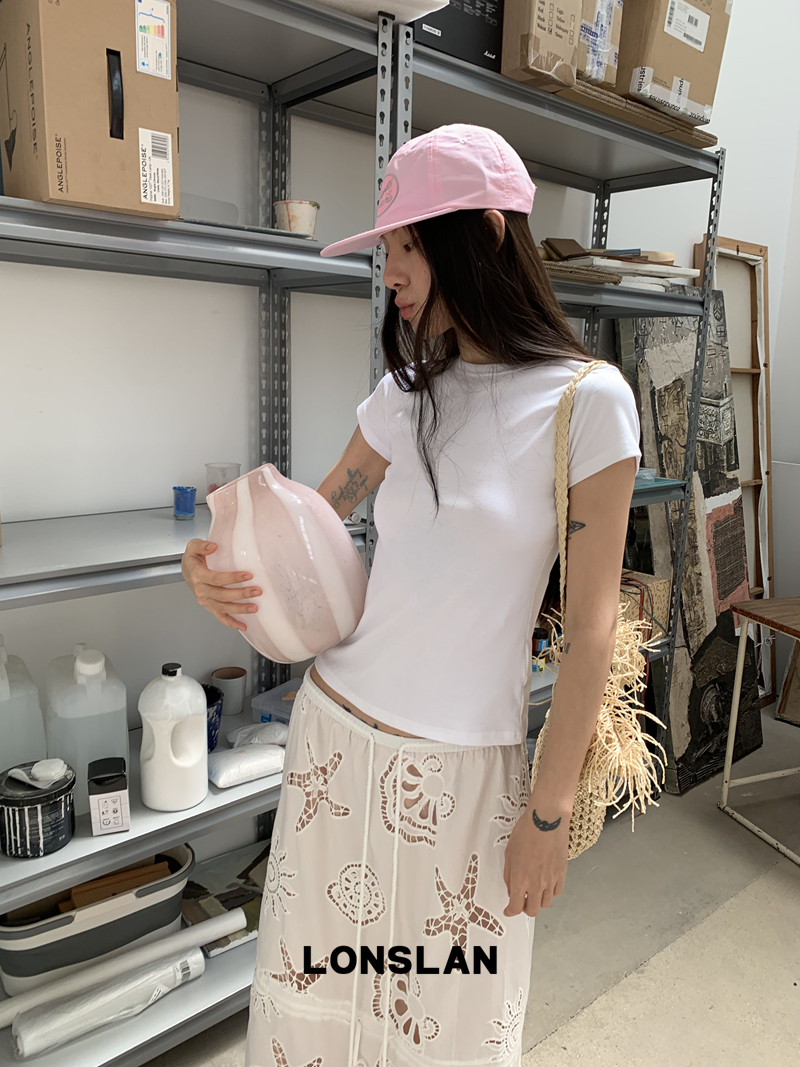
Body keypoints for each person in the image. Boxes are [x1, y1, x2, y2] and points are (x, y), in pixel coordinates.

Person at [181, 124, 641, 1067]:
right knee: (318, 1012)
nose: (388, 271)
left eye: (406, 245)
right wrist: (216, 558)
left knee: (448, 1030)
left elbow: (593, 633)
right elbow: (312, 519)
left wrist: (548, 813)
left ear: (486, 233)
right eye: (386, 246)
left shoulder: (588, 403)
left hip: (466, 780)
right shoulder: (407, 392)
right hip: (336, 744)